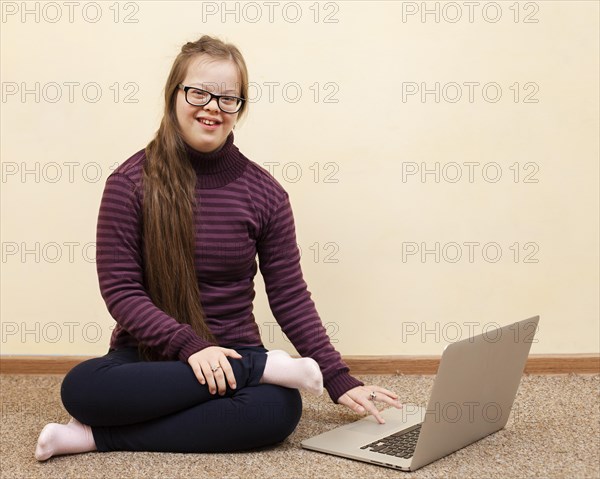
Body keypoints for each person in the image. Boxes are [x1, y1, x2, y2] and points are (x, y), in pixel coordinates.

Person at [34, 35, 401, 461]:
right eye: (199, 92)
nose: (212, 107)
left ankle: (96, 438)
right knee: (82, 389)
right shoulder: (129, 183)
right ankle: (259, 371)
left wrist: (340, 379)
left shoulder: (265, 193)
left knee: (278, 411)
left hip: (233, 348)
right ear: (173, 95)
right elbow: (121, 291)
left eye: (229, 98)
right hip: (151, 358)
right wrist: (192, 347)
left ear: (239, 108)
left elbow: (289, 294)